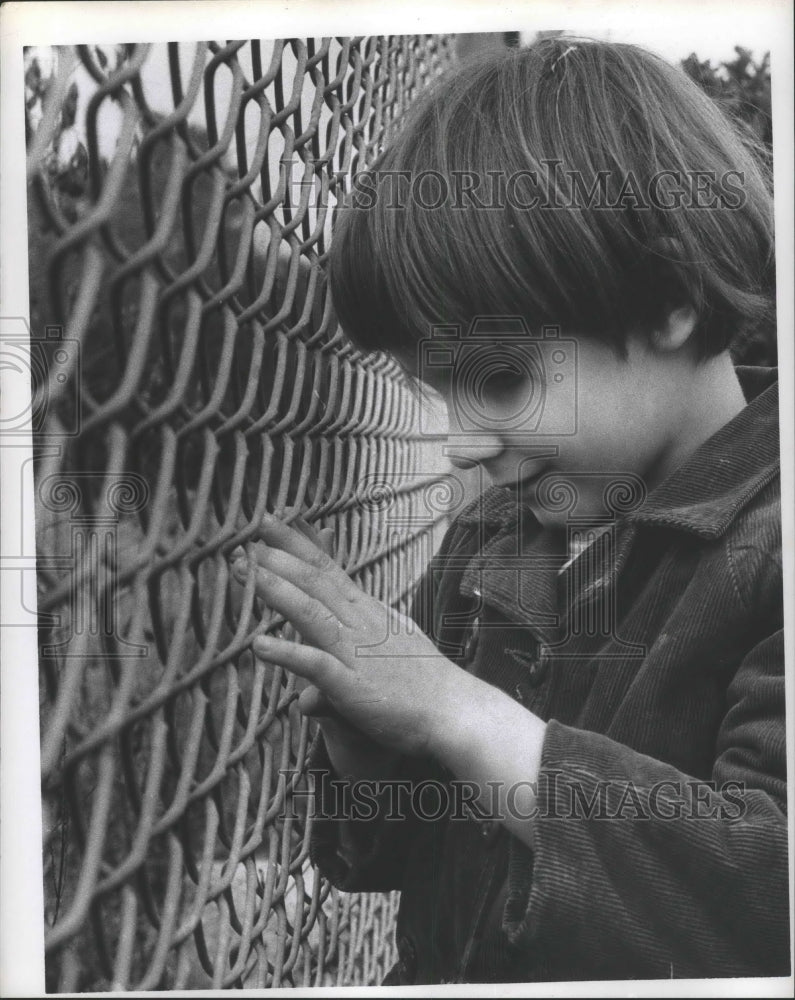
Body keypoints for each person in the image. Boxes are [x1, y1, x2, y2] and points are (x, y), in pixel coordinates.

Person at [229, 37, 788, 983]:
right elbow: (396, 862)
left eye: (497, 379)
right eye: (437, 392)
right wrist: (372, 745)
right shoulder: (496, 538)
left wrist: (455, 710)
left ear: (668, 299)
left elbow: (770, 899)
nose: (462, 444)